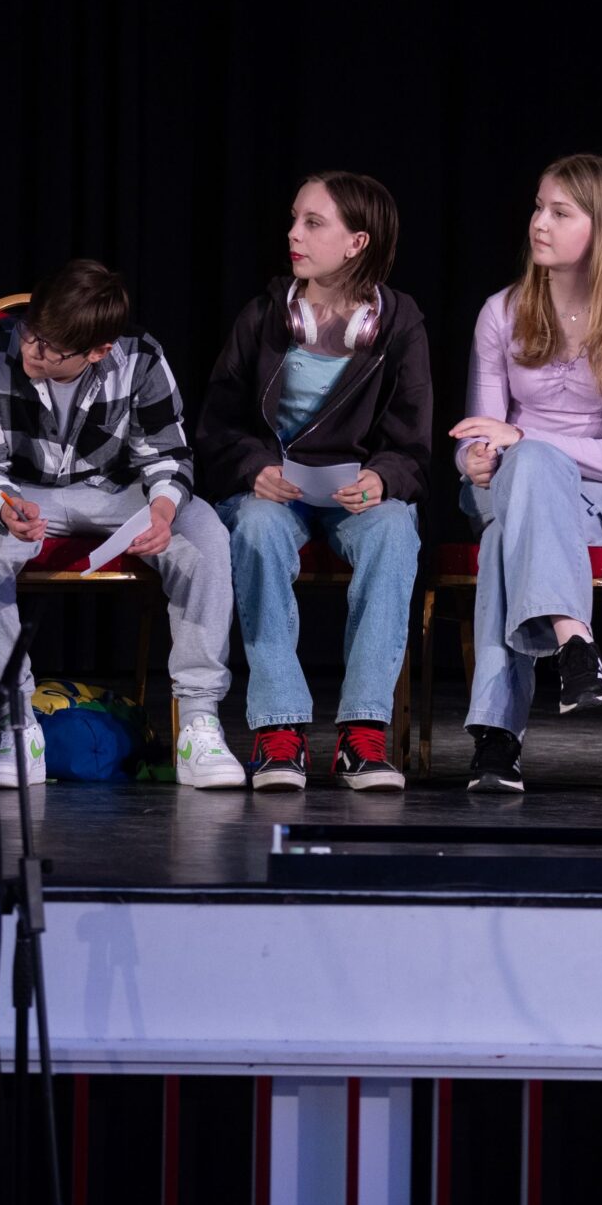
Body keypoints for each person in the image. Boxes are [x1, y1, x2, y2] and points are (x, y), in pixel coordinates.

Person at [0, 259, 244, 788]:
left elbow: (168, 455)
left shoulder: (140, 358)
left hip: (116, 493)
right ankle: (15, 724)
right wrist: (4, 505)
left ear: (97, 351)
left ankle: (198, 721)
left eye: (50, 348)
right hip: (24, 493)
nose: (31, 349)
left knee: (205, 534)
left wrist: (163, 511)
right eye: (31, 332)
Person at [200, 171, 435, 790]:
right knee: (255, 527)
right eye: (294, 219)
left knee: (394, 530)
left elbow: (413, 444)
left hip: (355, 493)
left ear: (357, 243)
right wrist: (254, 468)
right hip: (277, 491)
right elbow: (217, 426)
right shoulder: (264, 315)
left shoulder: (399, 323)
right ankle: (279, 728)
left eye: (313, 223)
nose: (293, 235)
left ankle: (363, 730)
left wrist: (383, 478)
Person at [448, 155, 602, 793]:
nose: (539, 223)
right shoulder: (502, 311)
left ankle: (496, 741)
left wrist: (523, 440)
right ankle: (575, 642)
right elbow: (478, 434)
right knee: (524, 476)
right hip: (505, 486)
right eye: (538, 207)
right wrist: (474, 458)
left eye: (560, 212)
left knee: (505, 535)